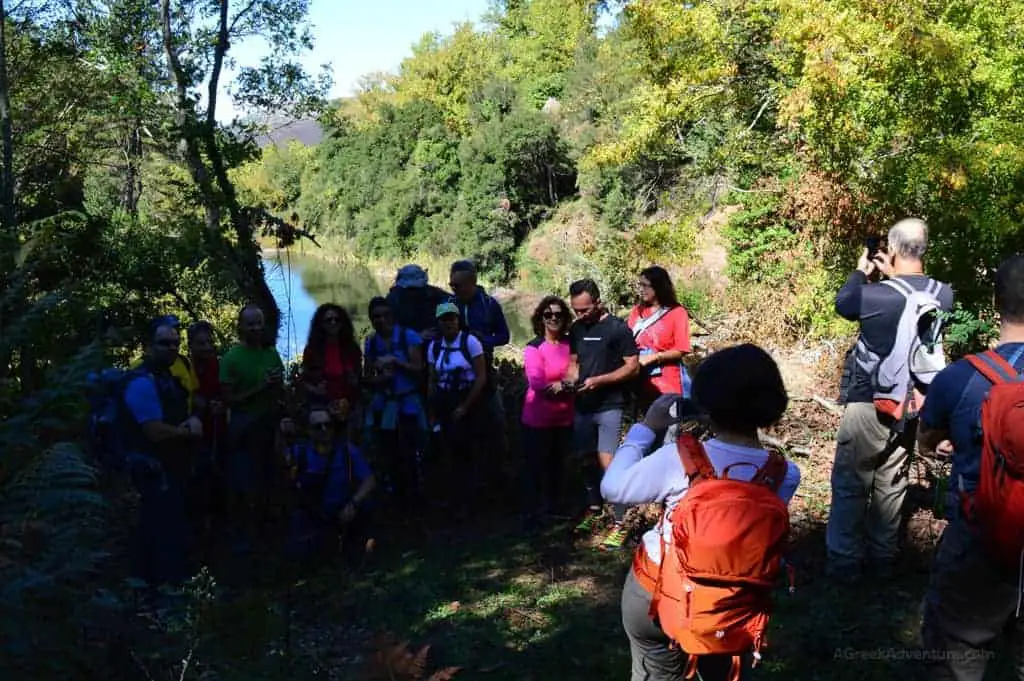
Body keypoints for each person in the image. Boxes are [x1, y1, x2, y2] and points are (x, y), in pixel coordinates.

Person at [601, 344, 801, 681]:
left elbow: (614, 487)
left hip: (657, 592)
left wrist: (646, 429)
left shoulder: (679, 458)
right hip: (734, 603)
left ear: (706, 403)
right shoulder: (784, 474)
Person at [825, 218, 954, 580]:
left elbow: (845, 303)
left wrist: (863, 271)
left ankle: (845, 565)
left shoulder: (873, 294)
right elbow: (910, 306)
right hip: (912, 404)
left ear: (893, 249)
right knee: (892, 482)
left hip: (869, 400)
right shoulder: (943, 294)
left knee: (852, 484)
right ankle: (883, 559)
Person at [918, 254, 1024, 680]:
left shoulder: (959, 377)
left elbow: (926, 442)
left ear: (995, 300)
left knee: (953, 656)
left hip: (979, 539)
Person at [123, 317, 204, 588]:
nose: (171, 348)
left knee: (172, 528)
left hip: (173, 467)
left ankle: (167, 589)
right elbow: (153, 431)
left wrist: (194, 419)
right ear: (150, 345)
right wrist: (186, 432)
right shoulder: (142, 382)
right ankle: (155, 595)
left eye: (175, 343)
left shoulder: (171, 375)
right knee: (157, 531)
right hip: (151, 470)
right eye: (164, 343)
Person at [567, 278, 640, 551]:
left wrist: (601, 380)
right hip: (583, 405)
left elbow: (632, 367)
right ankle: (594, 508)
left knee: (608, 462)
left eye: (585, 310)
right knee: (586, 459)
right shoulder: (576, 329)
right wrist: (568, 382)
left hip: (610, 404)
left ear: (598, 302)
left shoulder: (618, 329)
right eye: (576, 310)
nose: (580, 315)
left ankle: (621, 521)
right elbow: (574, 364)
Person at [219, 304, 285, 551]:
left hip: (269, 424)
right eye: (250, 324)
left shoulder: (271, 354)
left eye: (259, 323)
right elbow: (228, 400)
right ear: (240, 327)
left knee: (270, 477)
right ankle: (242, 538)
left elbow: (278, 391)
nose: (256, 328)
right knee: (245, 482)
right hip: (243, 429)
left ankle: (268, 533)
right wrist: (262, 387)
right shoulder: (231, 359)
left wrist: (277, 389)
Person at [278, 408, 376, 564]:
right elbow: (280, 464)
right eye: (318, 426)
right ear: (309, 431)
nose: (324, 430)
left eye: (327, 425)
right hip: (312, 514)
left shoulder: (347, 450)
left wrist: (354, 503)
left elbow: (369, 480)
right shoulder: (299, 453)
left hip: (343, 511)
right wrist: (283, 435)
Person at [448, 259, 511, 479]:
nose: (453, 289)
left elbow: (504, 336)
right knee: (459, 427)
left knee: (494, 423)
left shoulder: (489, 304)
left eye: (457, 285)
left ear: (472, 282)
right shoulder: (448, 303)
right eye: (451, 285)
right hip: (454, 377)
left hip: (484, 373)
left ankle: (497, 473)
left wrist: (484, 340)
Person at [362, 296, 426, 508]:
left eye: (385, 315)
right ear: (371, 320)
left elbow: (419, 370)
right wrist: (381, 379)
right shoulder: (371, 342)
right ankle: (396, 498)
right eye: (376, 317)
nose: (381, 320)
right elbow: (367, 377)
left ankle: (416, 498)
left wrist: (396, 362)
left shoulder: (409, 337)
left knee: (411, 450)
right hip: (384, 404)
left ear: (392, 316)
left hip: (407, 402)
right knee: (389, 452)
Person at [427, 301, 488, 516]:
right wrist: (432, 413)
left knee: (467, 451)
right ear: (438, 322)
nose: (449, 323)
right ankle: (451, 498)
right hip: (444, 400)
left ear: (457, 319)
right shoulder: (434, 346)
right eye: (444, 319)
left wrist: (465, 406)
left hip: (467, 400)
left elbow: (481, 377)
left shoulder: (470, 342)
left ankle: (470, 501)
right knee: (446, 450)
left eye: (452, 318)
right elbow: (432, 380)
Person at [521, 296, 575, 527]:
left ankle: (556, 508)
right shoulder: (534, 348)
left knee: (559, 466)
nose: (553, 318)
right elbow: (537, 383)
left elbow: (578, 373)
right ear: (540, 319)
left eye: (558, 314)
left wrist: (565, 384)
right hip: (538, 419)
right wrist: (567, 384)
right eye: (548, 314)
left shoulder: (572, 345)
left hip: (566, 418)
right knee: (537, 468)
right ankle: (535, 513)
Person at [627, 265, 692, 411]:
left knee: (669, 430)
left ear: (658, 286)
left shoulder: (677, 312)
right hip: (640, 382)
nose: (641, 290)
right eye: (640, 285)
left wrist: (654, 357)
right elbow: (627, 341)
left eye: (645, 286)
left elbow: (682, 349)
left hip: (667, 383)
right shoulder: (637, 312)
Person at [185, 321, 226, 544]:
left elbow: (227, 393)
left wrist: (222, 405)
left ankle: (215, 528)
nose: (208, 347)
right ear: (190, 345)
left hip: (216, 432)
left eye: (210, 342)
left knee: (215, 478)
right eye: (202, 343)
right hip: (189, 436)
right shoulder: (182, 366)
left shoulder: (217, 366)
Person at [301, 304, 362, 418]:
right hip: (322, 408)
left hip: (349, 407)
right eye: (329, 320)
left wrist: (354, 382)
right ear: (321, 324)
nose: (333, 323)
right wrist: (315, 390)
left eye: (337, 320)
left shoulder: (352, 349)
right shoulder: (312, 350)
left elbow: (359, 378)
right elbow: (304, 380)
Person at [386, 264, 451, 341]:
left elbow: (452, 306)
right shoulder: (393, 300)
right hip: (406, 345)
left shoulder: (435, 293)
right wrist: (416, 336)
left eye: (416, 288)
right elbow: (387, 330)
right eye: (409, 289)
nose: (412, 292)